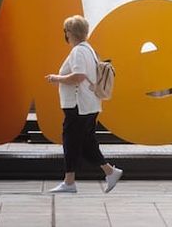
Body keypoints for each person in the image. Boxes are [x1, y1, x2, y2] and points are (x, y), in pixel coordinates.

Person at [44, 15, 123, 193]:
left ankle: (69, 182)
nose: (65, 34)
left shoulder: (78, 51)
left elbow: (78, 77)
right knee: (87, 142)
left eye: (66, 31)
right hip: (89, 105)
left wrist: (56, 78)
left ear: (70, 33)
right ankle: (110, 172)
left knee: (70, 141)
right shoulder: (88, 49)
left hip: (78, 106)